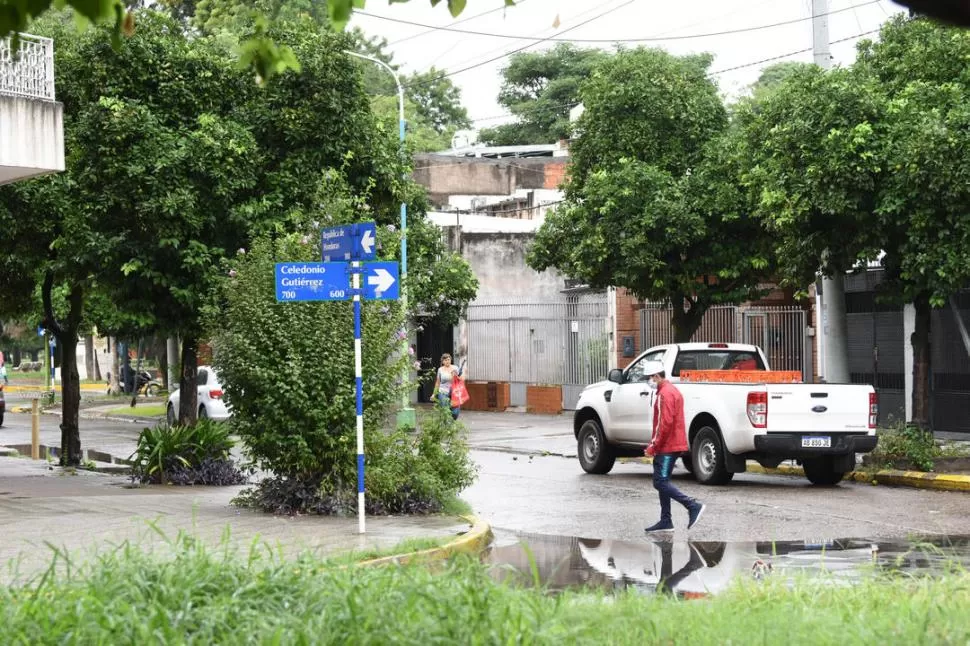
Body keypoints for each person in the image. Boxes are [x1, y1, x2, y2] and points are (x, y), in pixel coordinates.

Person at [642, 360, 707, 533]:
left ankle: (692, 506)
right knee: (662, 481)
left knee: (660, 482)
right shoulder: (671, 391)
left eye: (650, 378)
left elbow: (664, 424)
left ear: (656, 376)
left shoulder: (665, 394)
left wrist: (653, 446)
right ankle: (666, 520)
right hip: (671, 444)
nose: (649, 381)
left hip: (667, 447)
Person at [432, 353, 463, 420]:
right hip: (443, 391)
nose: (447, 361)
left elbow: (460, 379)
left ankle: (452, 422)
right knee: (445, 410)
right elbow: (438, 382)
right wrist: (434, 394)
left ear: (450, 360)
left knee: (455, 412)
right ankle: (446, 427)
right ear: (442, 361)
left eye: (448, 359)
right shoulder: (440, 369)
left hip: (454, 391)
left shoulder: (455, 368)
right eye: (445, 360)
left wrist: (456, 376)